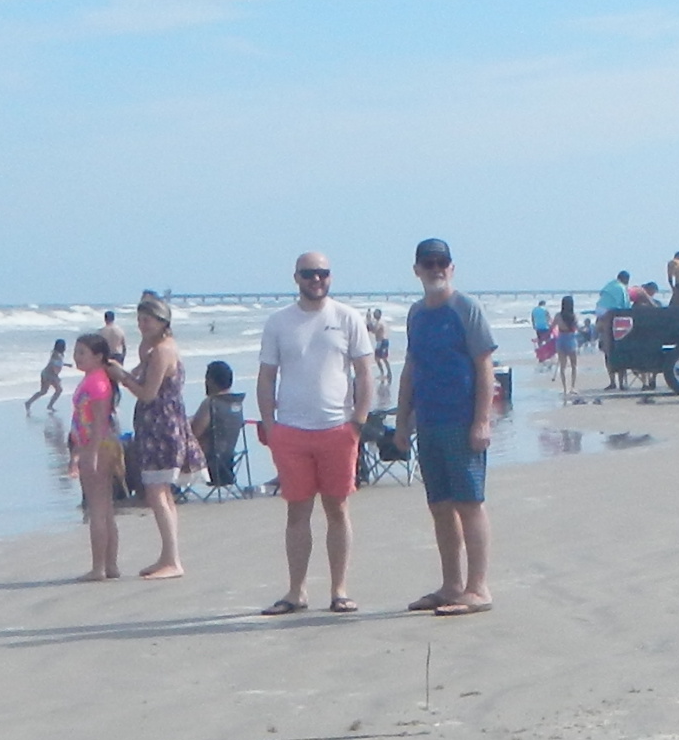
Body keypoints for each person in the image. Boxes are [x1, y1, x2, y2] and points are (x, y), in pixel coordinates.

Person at [255, 251, 377, 614]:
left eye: (322, 273)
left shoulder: (347, 318)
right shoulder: (279, 322)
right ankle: (296, 591)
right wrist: (269, 424)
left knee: (337, 509)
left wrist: (358, 420)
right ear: (296, 278)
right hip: (291, 431)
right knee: (297, 512)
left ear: (330, 277)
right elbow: (266, 377)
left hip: (337, 429)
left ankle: (339, 589)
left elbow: (364, 372)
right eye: (309, 274)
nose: (316, 280)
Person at [399, 238, 498, 616]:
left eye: (442, 262)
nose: (435, 269)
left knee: (469, 504)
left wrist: (482, 420)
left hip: (463, 421)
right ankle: (451, 585)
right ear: (417, 270)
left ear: (451, 268)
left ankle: (478, 588)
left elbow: (484, 366)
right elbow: (411, 369)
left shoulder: (466, 308)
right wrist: (402, 422)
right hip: (429, 422)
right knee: (440, 506)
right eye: (429, 263)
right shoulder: (416, 314)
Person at [122, 293, 194, 579]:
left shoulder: (163, 350)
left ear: (162, 321)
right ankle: (167, 555)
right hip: (158, 424)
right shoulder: (154, 349)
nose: (141, 325)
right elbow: (137, 373)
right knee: (161, 492)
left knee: (157, 491)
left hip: (162, 425)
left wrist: (123, 379)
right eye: (139, 320)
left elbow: (147, 392)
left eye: (147, 320)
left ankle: (172, 560)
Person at [65, 333, 126, 580]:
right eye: (76, 352)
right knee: (105, 508)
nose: (76, 357)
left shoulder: (97, 383)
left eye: (82, 353)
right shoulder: (94, 380)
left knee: (98, 509)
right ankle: (109, 565)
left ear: (98, 356)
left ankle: (99, 567)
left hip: (98, 447)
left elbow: (99, 421)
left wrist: (89, 454)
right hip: (97, 445)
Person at [193, 360, 249, 491]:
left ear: (211, 381)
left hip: (208, 464)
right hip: (227, 462)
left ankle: (167, 490)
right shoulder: (235, 403)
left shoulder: (211, 403)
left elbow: (195, 433)